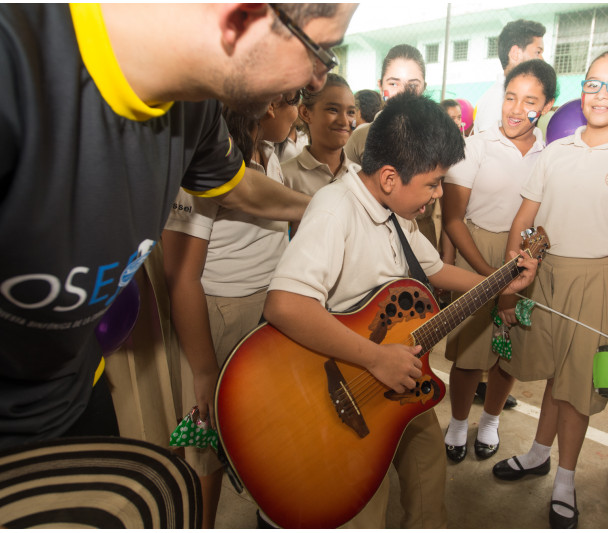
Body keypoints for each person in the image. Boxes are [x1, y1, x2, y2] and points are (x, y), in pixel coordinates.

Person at [0, 3, 356, 451]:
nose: (317, 81)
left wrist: (324, 208)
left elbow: (240, 188)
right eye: (319, 51)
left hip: (75, 389)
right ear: (243, 17)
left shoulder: (196, 109)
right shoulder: (17, 60)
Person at [263, 92, 538, 528]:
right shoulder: (336, 210)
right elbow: (285, 304)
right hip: (347, 377)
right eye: (433, 183)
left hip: (397, 373)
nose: (439, 193)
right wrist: (376, 358)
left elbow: (437, 269)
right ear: (390, 177)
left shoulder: (395, 211)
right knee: (366, 498)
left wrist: (504, 280)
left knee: (428, 471)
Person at [500, 49, 608, 528]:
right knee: (556, 373)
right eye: (594, 83)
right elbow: (522, 221)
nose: (602, 94)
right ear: (581, 91)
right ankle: (537, 453)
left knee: (578, 386)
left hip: (604, 283)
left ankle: (565, 481)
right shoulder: (556, 152)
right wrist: (509, 285)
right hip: (546, 275)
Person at [161, 95, 298, 528]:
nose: (300, 115)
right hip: (223, 314)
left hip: (271, 306)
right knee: (209, 448)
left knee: (268, 431)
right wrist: (204, 369)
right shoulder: (203, 166)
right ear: (271, 105)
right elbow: (181, 276)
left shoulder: (272, 150)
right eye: (296, 102)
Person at [441, 60, 556, 463]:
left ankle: (490, 421)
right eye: (510, 96)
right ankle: (457, 423)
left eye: (529, 100)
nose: (514, 108)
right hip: (479, 253)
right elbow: (453, 219)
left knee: (509, 351)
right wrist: (490, 275)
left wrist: (520, 269)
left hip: (528, 260)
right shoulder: (475, 146)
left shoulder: (553, 153)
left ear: (546, 106)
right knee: (471, 354)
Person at [344, 44, 439, 249]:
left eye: (413, 85)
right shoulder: (361, 136)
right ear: (380, 86)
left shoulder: (439, 136)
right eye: (394, 83)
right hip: (371, 244)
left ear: (424, 87)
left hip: (422, 238)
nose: (403, 93)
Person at [282, 74, 357, 235]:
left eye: (351, 112)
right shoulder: (285, 176)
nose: (344, 121)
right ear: (305, 112)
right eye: (333, 110)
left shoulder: (359, 176)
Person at [474, 19, 546, 135]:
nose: (542, 59)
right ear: (515, 53)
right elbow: (488, 149)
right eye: (538, 52)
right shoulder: (496, 100)